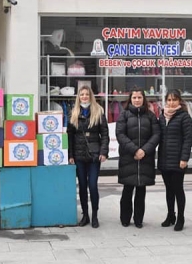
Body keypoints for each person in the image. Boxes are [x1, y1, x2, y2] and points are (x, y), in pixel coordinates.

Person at [116, 87, 160, 228]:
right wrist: (135, 150)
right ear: (130, 99)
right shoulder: (124, 115)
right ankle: (125, 218)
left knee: (141, 191)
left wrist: (144, 150)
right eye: (134, 97)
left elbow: (156, 135)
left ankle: (139, 219)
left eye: (139, 97)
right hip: (129, 158)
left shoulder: (151, 116)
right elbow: (120, 135)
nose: (137, 100)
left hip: (145, 158)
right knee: (127, 190)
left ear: (143, 99)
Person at [67, 85, 109, 228]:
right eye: (82, 94)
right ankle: (85, 215)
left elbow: (104, 134)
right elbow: (70, 136)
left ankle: (95, 215)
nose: (84, 96)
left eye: (87, 94)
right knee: (83, 186)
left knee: (92, 185)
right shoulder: (73, 113)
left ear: (91, 96)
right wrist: (70, 155)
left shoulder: (98, 112)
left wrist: (103, 152)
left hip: (94, 155)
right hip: (78, 155)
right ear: (78, 97)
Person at [157, 89, 192, 231]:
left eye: (174, 100)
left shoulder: (184, 117)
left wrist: (184, 158)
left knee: (178, 189)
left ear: (179, 101)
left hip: (178, 160)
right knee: (168, 190)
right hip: (164, 159)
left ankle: (181, 217)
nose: (171, 103)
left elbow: (188, 139)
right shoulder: (162, 116)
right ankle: (170, 215)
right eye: (169, 100)